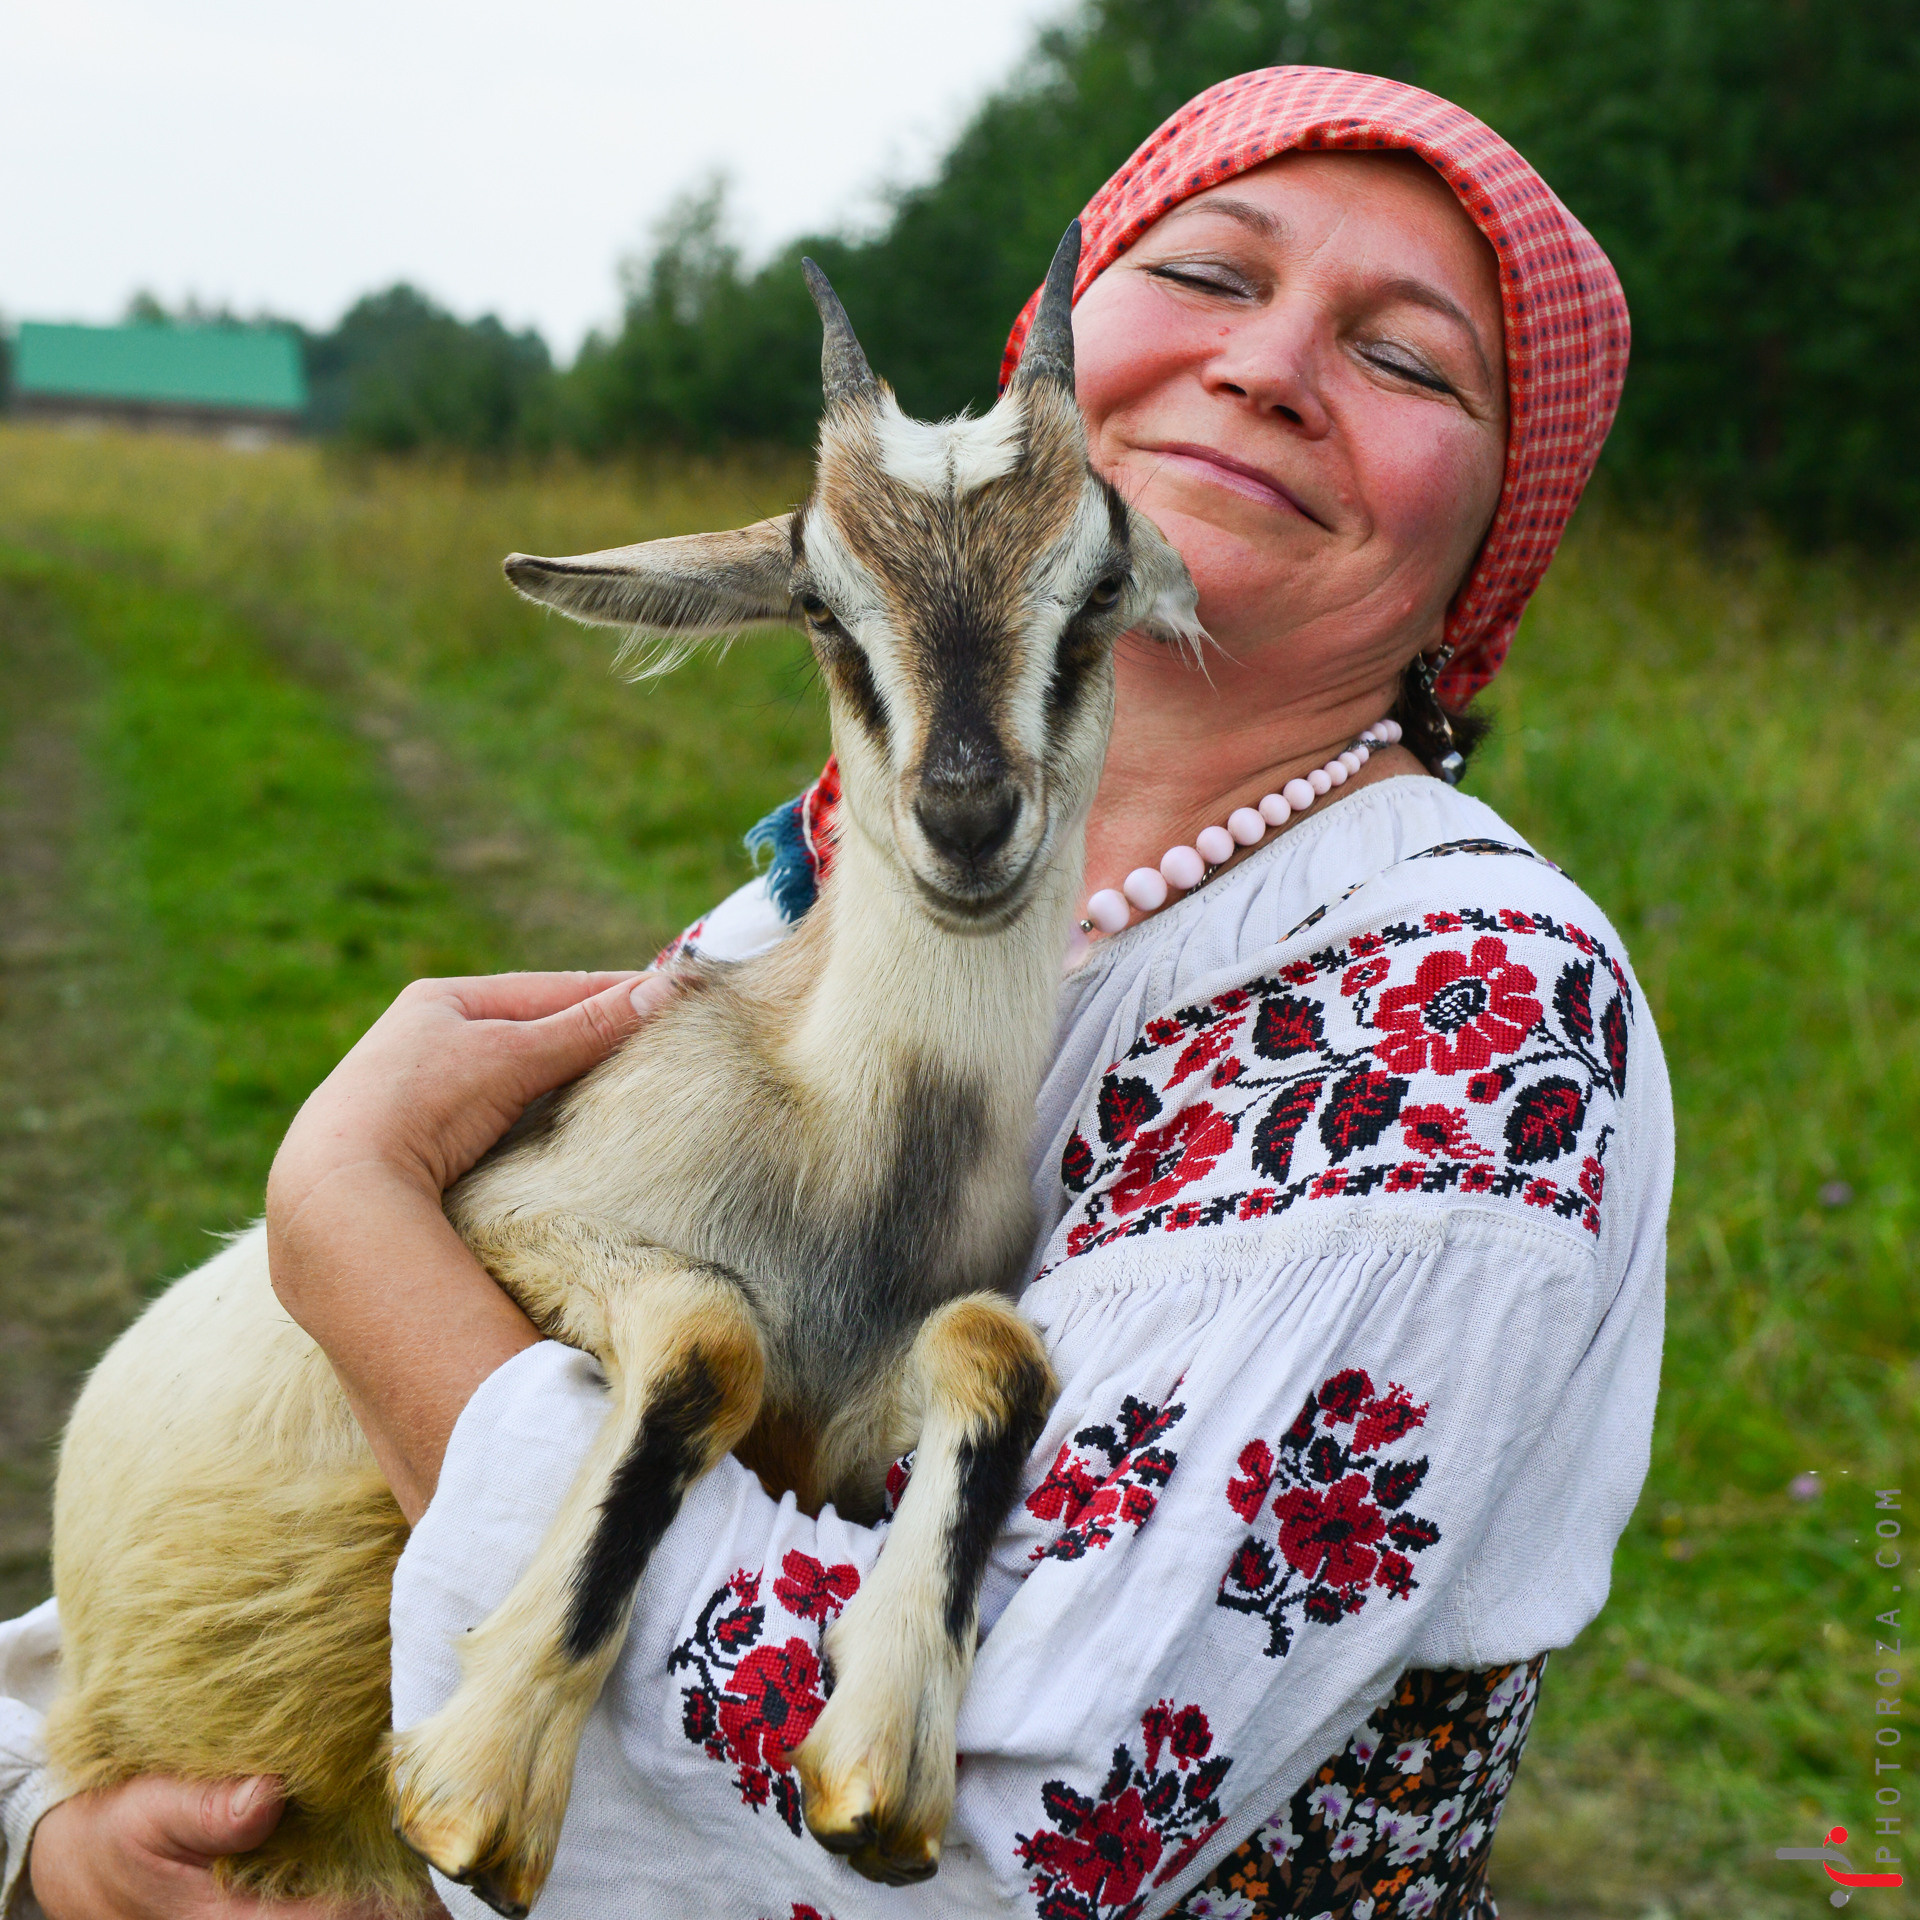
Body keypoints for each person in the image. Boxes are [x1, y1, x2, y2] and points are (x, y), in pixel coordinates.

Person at [7, 64, 1662, 1920]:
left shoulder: (1456, 1023)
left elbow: (1004, 1853)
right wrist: (49, 1829)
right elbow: (269, 1468)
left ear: (1494, 535)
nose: (1272, 365)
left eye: (1411, 358)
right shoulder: (822, 920)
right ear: (1044, 363)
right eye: (1207, 274)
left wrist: (349, 1227)